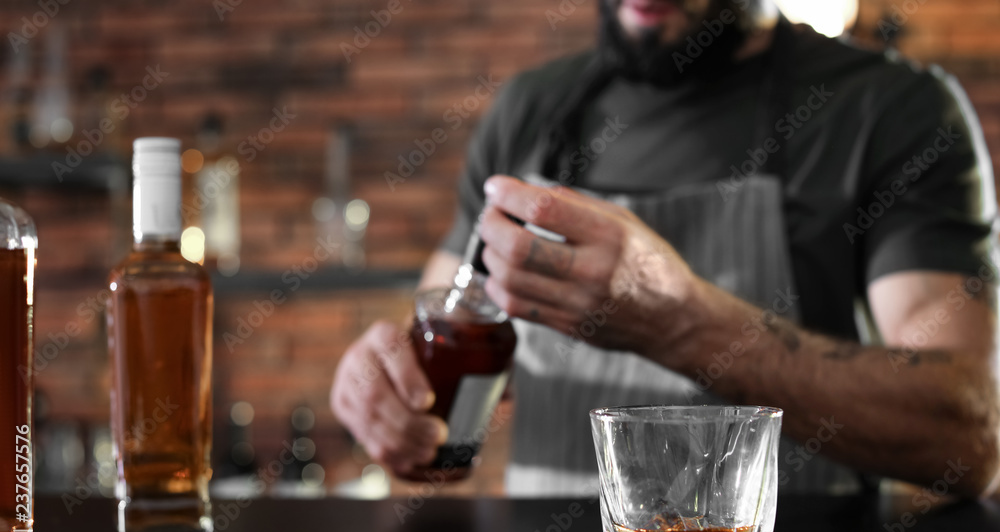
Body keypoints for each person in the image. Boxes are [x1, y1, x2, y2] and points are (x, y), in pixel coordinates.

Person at [331, 0, 999, 498]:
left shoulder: (891, 109)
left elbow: (969, 433)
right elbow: (451, 334)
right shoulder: (533, 111)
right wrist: (393, 396)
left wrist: (680, 321)